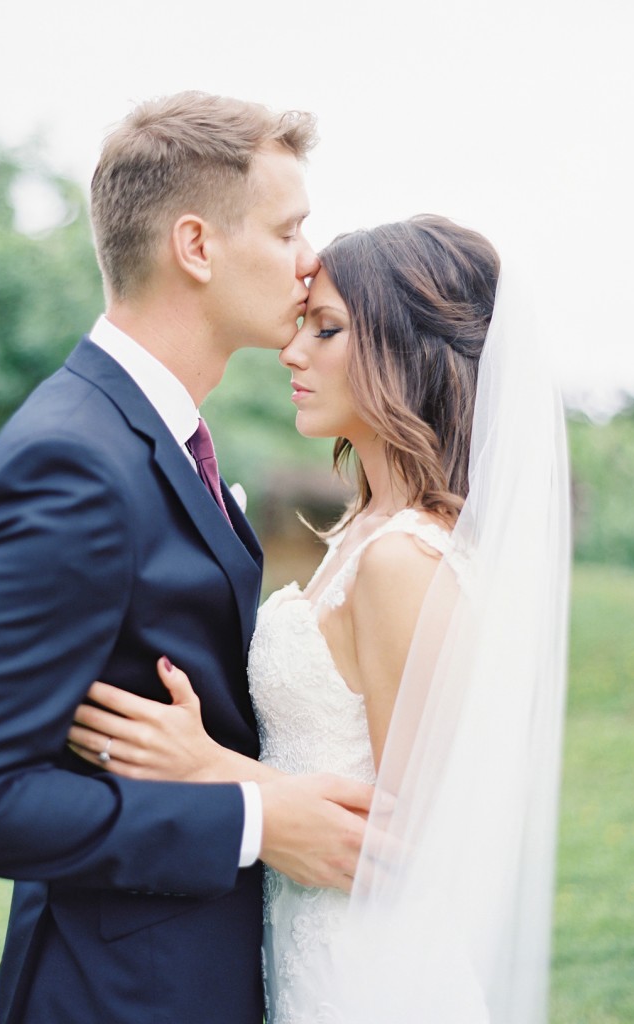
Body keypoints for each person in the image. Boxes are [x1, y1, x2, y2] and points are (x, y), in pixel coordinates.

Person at [0, 92, 374, 1024]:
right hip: (115, 996)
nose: (310, 260)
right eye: (288, 230)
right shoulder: (71, 463)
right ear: (196, 247)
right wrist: (253, 822)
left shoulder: (158, 436)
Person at [68, 216, 571, 1023]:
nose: (293, 351)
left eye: (327, 329)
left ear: (409, 352)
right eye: (303, 324)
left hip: (374, 980)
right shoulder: (366, 531)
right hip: (309, 957)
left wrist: (206, 765)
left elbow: (417, 852)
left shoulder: (404, 562)